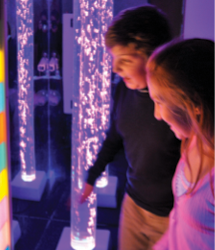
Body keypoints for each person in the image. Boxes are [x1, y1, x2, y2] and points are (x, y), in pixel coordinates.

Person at [80, 5, 181, 250]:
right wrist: (92, 176)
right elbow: (114, 137)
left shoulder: (178, 106)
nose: (115, 69)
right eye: (114, 60)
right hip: (133, 205)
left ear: (154, 57)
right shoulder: (123, 90)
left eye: (125, 60)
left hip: (171, 217)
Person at [146, 38, 215, 250]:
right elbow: (180, 221)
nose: (156, 115)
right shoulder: (193, 141)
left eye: (160, 102)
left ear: (194, 105)